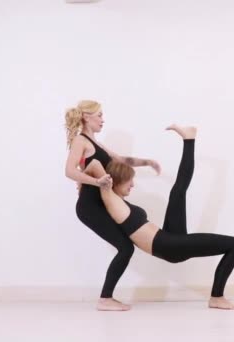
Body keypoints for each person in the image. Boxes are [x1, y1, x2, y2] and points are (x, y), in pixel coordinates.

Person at [85, 124, 234, 310]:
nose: (133, 185)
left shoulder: (117, 199)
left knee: (178, 191)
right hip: (169, 246)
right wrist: (94, 180)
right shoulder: (110, 196)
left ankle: (189, 139)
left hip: (168, 237)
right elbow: (94, 164)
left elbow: (99, 166)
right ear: (115, 181)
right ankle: (217, 297)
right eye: (129, 181)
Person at [64, 100, 161, 311]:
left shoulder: (95, 143)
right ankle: (105, 299)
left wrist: (148, 162)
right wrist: (96, 181)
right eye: (99, 115)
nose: (102, 119)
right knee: (125, 247)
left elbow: (120, 159)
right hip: (89, 207)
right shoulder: (80, 141)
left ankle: (106, 298)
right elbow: (70, 171)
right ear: (86, 117)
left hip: (102, 204)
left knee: (126, 247)